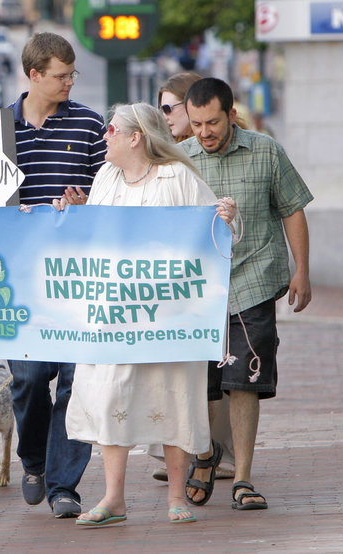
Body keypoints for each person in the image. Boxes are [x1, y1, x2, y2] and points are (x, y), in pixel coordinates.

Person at [56, 102, 237, 525]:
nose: (105, 137)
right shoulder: (105, 177)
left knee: (172, 396)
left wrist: (226, 218)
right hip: (114, 317)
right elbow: (94, 241)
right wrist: (72, 218)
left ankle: (177, 497)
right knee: (110, 396)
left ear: (135, 136)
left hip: (171, 317)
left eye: (112, 130)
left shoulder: (179, 177)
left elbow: (215, 232)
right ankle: (113, 498)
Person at [181, 77, 312, 511]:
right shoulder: (181, 161)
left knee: (245, 382)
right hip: (198, 289)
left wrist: (302, 271)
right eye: (196, 123)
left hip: (254, 280)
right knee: (202, 383)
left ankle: (242, 478)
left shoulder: (266, 151)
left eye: (213, 122)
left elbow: (292, 209)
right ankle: (205, 455)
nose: (204, 132)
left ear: (231, 115)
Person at [5, 31, 106, 518]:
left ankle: (65, 485)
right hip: (17, 278)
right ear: (33, 75)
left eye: (72, 74)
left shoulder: (89, 124)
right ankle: (34, 460)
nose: (69, 82)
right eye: (61, 75)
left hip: (76, 276)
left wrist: (88, 203)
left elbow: (111, 191)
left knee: (74, 381)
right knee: (27, 378)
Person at [153, 71, 237, 483]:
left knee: (222, 377)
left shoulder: (194, 164)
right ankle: (187, 454)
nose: (166, 115)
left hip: (230, 282)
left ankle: (217, 457)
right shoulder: (172, 160)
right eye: (162, 108)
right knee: (191, 375)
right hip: (184, 287)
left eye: (171, 107)